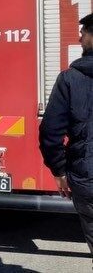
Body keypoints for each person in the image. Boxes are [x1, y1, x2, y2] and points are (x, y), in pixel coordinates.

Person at [39, 13, 93, 257]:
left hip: (87, 178)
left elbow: (51, 132)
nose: (80, 36)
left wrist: (59, 170)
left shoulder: (70, 79)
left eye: (85, 31)